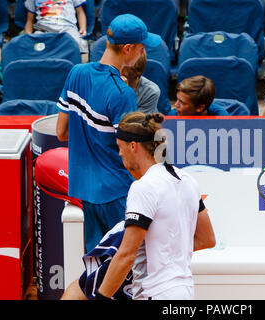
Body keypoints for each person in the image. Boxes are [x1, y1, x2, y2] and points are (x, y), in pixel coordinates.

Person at [61, 112, 216, 300]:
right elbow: (207, 239)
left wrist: (101, 298)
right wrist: (163, 250)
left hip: (154, 293)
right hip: (184, 291)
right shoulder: (189, 181)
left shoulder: (143, 187)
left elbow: (127, 254)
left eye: (120, 147)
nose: (119, 154)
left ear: (133, 146)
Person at [56, 14, 161, 252]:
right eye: (142, 47)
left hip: (84, 191)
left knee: (97, 270)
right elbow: (134, 154)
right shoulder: (122, 93)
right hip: (118, 194)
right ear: (128, 49)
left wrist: (93, 136)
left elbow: (61, 132)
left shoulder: (76, 73)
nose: (143, 52)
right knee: (126, 270)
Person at [24, 0, 89, 53]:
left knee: (77, 43)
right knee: (35, 46)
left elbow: (80, 12)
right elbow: (30, 20)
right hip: (43, 28)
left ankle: (78, 65)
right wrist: (28, 35)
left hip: (67, 27)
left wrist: (83, 28)